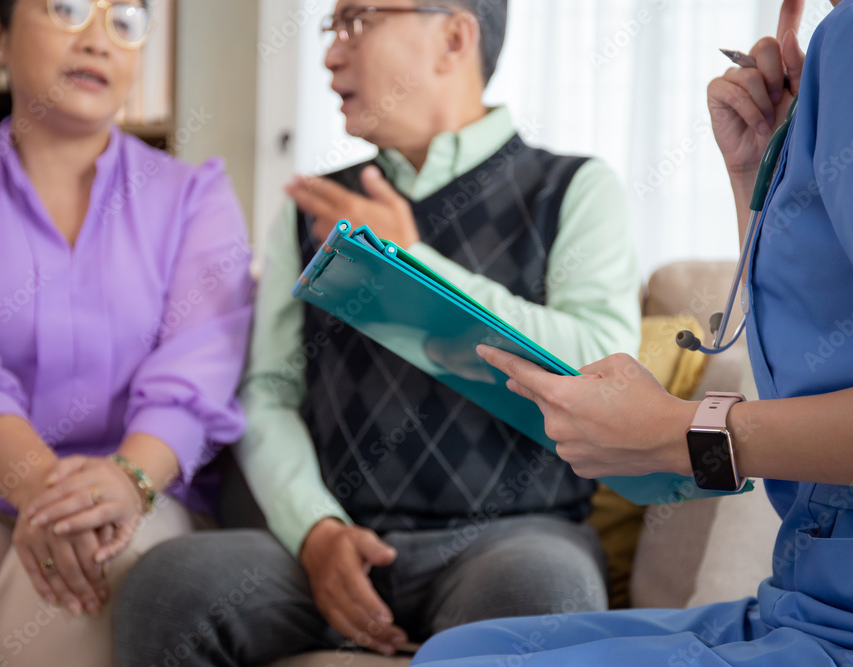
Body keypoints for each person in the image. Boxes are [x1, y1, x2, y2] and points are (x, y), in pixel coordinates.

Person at [114, 0, 640, 663]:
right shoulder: (312, 208)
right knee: (169, 588)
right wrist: (315, 529)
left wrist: (413, 262)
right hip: (335, 539)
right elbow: (267, 390)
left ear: (454, 36)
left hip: (514, 536)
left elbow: (602, 374)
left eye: (358, 20)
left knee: (547, 592)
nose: (332, 53)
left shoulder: (574, 189)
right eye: (331, 27)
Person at [409, 0, 853, 664]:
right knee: (457, 650)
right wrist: (758, 178)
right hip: (809, 598)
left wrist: (676, 434)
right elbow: (826, 361)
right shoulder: (843, 49)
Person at [0, 1, 253, 665]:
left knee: (80, 584)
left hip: (138, 491)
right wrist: (46, 488)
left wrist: (120, 483)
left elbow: (195, 377)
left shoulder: (195, 198)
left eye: (126, 19)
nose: (98, 38)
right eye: (68, 8)